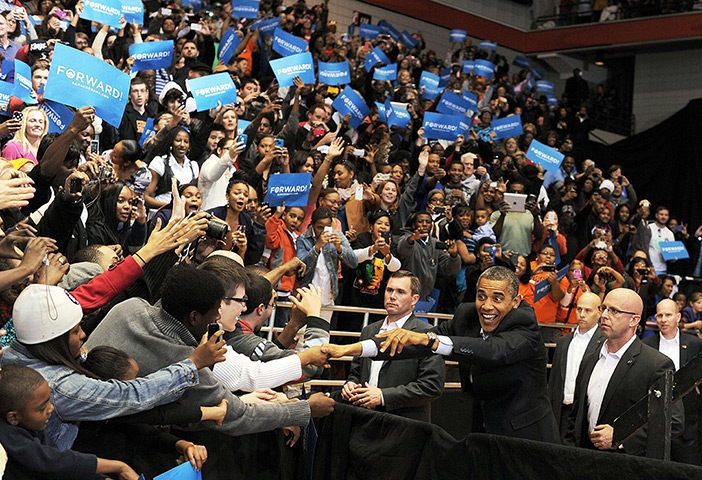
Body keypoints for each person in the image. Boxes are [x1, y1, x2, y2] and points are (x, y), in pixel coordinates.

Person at [85, 265, 336, 440]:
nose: (221, 315)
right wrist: (305, 409)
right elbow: (239, 415)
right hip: (102, 442)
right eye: (218, 308)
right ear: (195, 316)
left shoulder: (130, 307)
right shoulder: (187, 359)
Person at [323, 266, 560, 443]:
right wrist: (349, 349)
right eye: (481, 296)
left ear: (516, 301)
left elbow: (493, 351)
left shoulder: (525, 324)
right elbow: (408, 344)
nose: (487, 306)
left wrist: (429, 340)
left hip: (527, 434)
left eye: (498, 298)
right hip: (484, 427)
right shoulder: (467, 316)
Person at [563, 288, 683, 455]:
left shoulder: (656, 365)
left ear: (634, 320)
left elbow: (673, 422)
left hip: (626, 465)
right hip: (584, 461)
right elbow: (575, 417)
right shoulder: (589, 360)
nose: (604, 315)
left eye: (614, 311)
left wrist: (621, 436)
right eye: (603, 308)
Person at [0, 364, 140, 480]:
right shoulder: (7, 434)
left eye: (49, 402)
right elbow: (53, 462)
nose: (51, 409)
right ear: (13, 418)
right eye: (42, 408)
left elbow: (65, 468)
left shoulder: (33, 428)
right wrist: (119, 467)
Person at [343, 271, 445, 422]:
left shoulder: (426, 334)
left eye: (400, 292)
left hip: (405, 424)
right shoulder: (369, 331)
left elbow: (432, 386)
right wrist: (351, 384)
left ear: (414, 299)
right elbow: (356, 372)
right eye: (389, 290)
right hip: (364, 419)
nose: (392, 296)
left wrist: (383, 396)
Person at [643, 299, 702, 464]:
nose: (663, 319)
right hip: (656, 414)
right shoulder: (646, 345)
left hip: (689, 417)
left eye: (668, 315)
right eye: (659, 315)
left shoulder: (695, 344)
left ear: (678, 317)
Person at [547, 292, 604, 440]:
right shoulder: (564, 342)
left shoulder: (605, 343)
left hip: (587, 413)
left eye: (588, 310)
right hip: (561, 410)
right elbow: (554, 381)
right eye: (579, 309)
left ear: (599, 312)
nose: (582, 314)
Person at [648, 206, 674, 275]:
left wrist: (673, 258)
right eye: (661, 214)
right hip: (648, 267)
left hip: (662, 269)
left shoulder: (670, 234)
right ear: (656, 215)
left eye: (666, 215)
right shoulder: (649, 228)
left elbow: (671, 255)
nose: (663, 217)